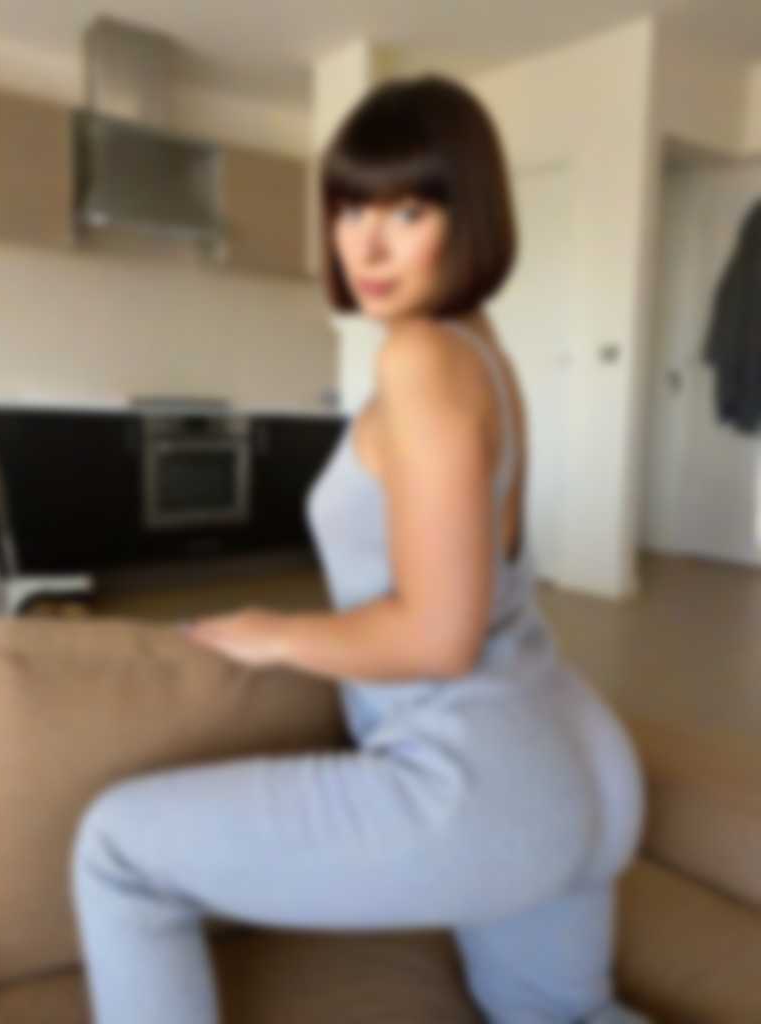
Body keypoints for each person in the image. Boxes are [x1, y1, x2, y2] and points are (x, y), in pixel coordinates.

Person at [70, 74, 650, 1023]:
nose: (367, 246)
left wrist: (275, 633)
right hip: (577, 755)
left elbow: (437, 638)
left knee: (115, 851)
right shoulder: (484, 353)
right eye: (349, 210)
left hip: (480, 776)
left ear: (470, 218)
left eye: (409, 211)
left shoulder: (420, 358)